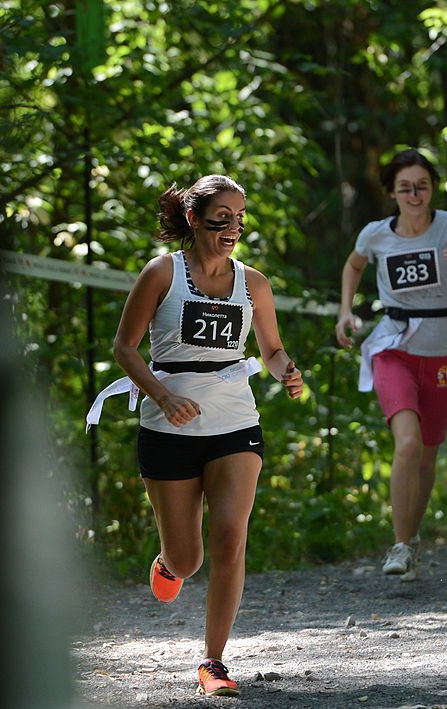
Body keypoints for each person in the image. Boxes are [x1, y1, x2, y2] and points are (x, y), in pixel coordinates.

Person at [92, 174, 303, 695]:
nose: (233, 227)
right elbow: (125, 347)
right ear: (194, 219)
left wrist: (286, 371)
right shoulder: (162, 273)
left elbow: (271, 349)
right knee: (189, 560)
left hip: (235, 423)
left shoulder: (252, 282)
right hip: (168, 427)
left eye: (239, 218)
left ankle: (214, 662)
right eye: (222, 217)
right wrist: (162, 396)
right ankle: (169, 561)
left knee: (231, 537)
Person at [335, 148, 447, 581]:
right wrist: (345, 311)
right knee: (405, 442)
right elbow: (353, 265)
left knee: (427, 452)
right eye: (404, 187)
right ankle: (400, 544)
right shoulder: (375, 234)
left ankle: (413, 534)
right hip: (394, 345)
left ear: (432, 188)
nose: (414, 193)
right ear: (391, 192)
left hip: (444, 350)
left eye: (421, 185)